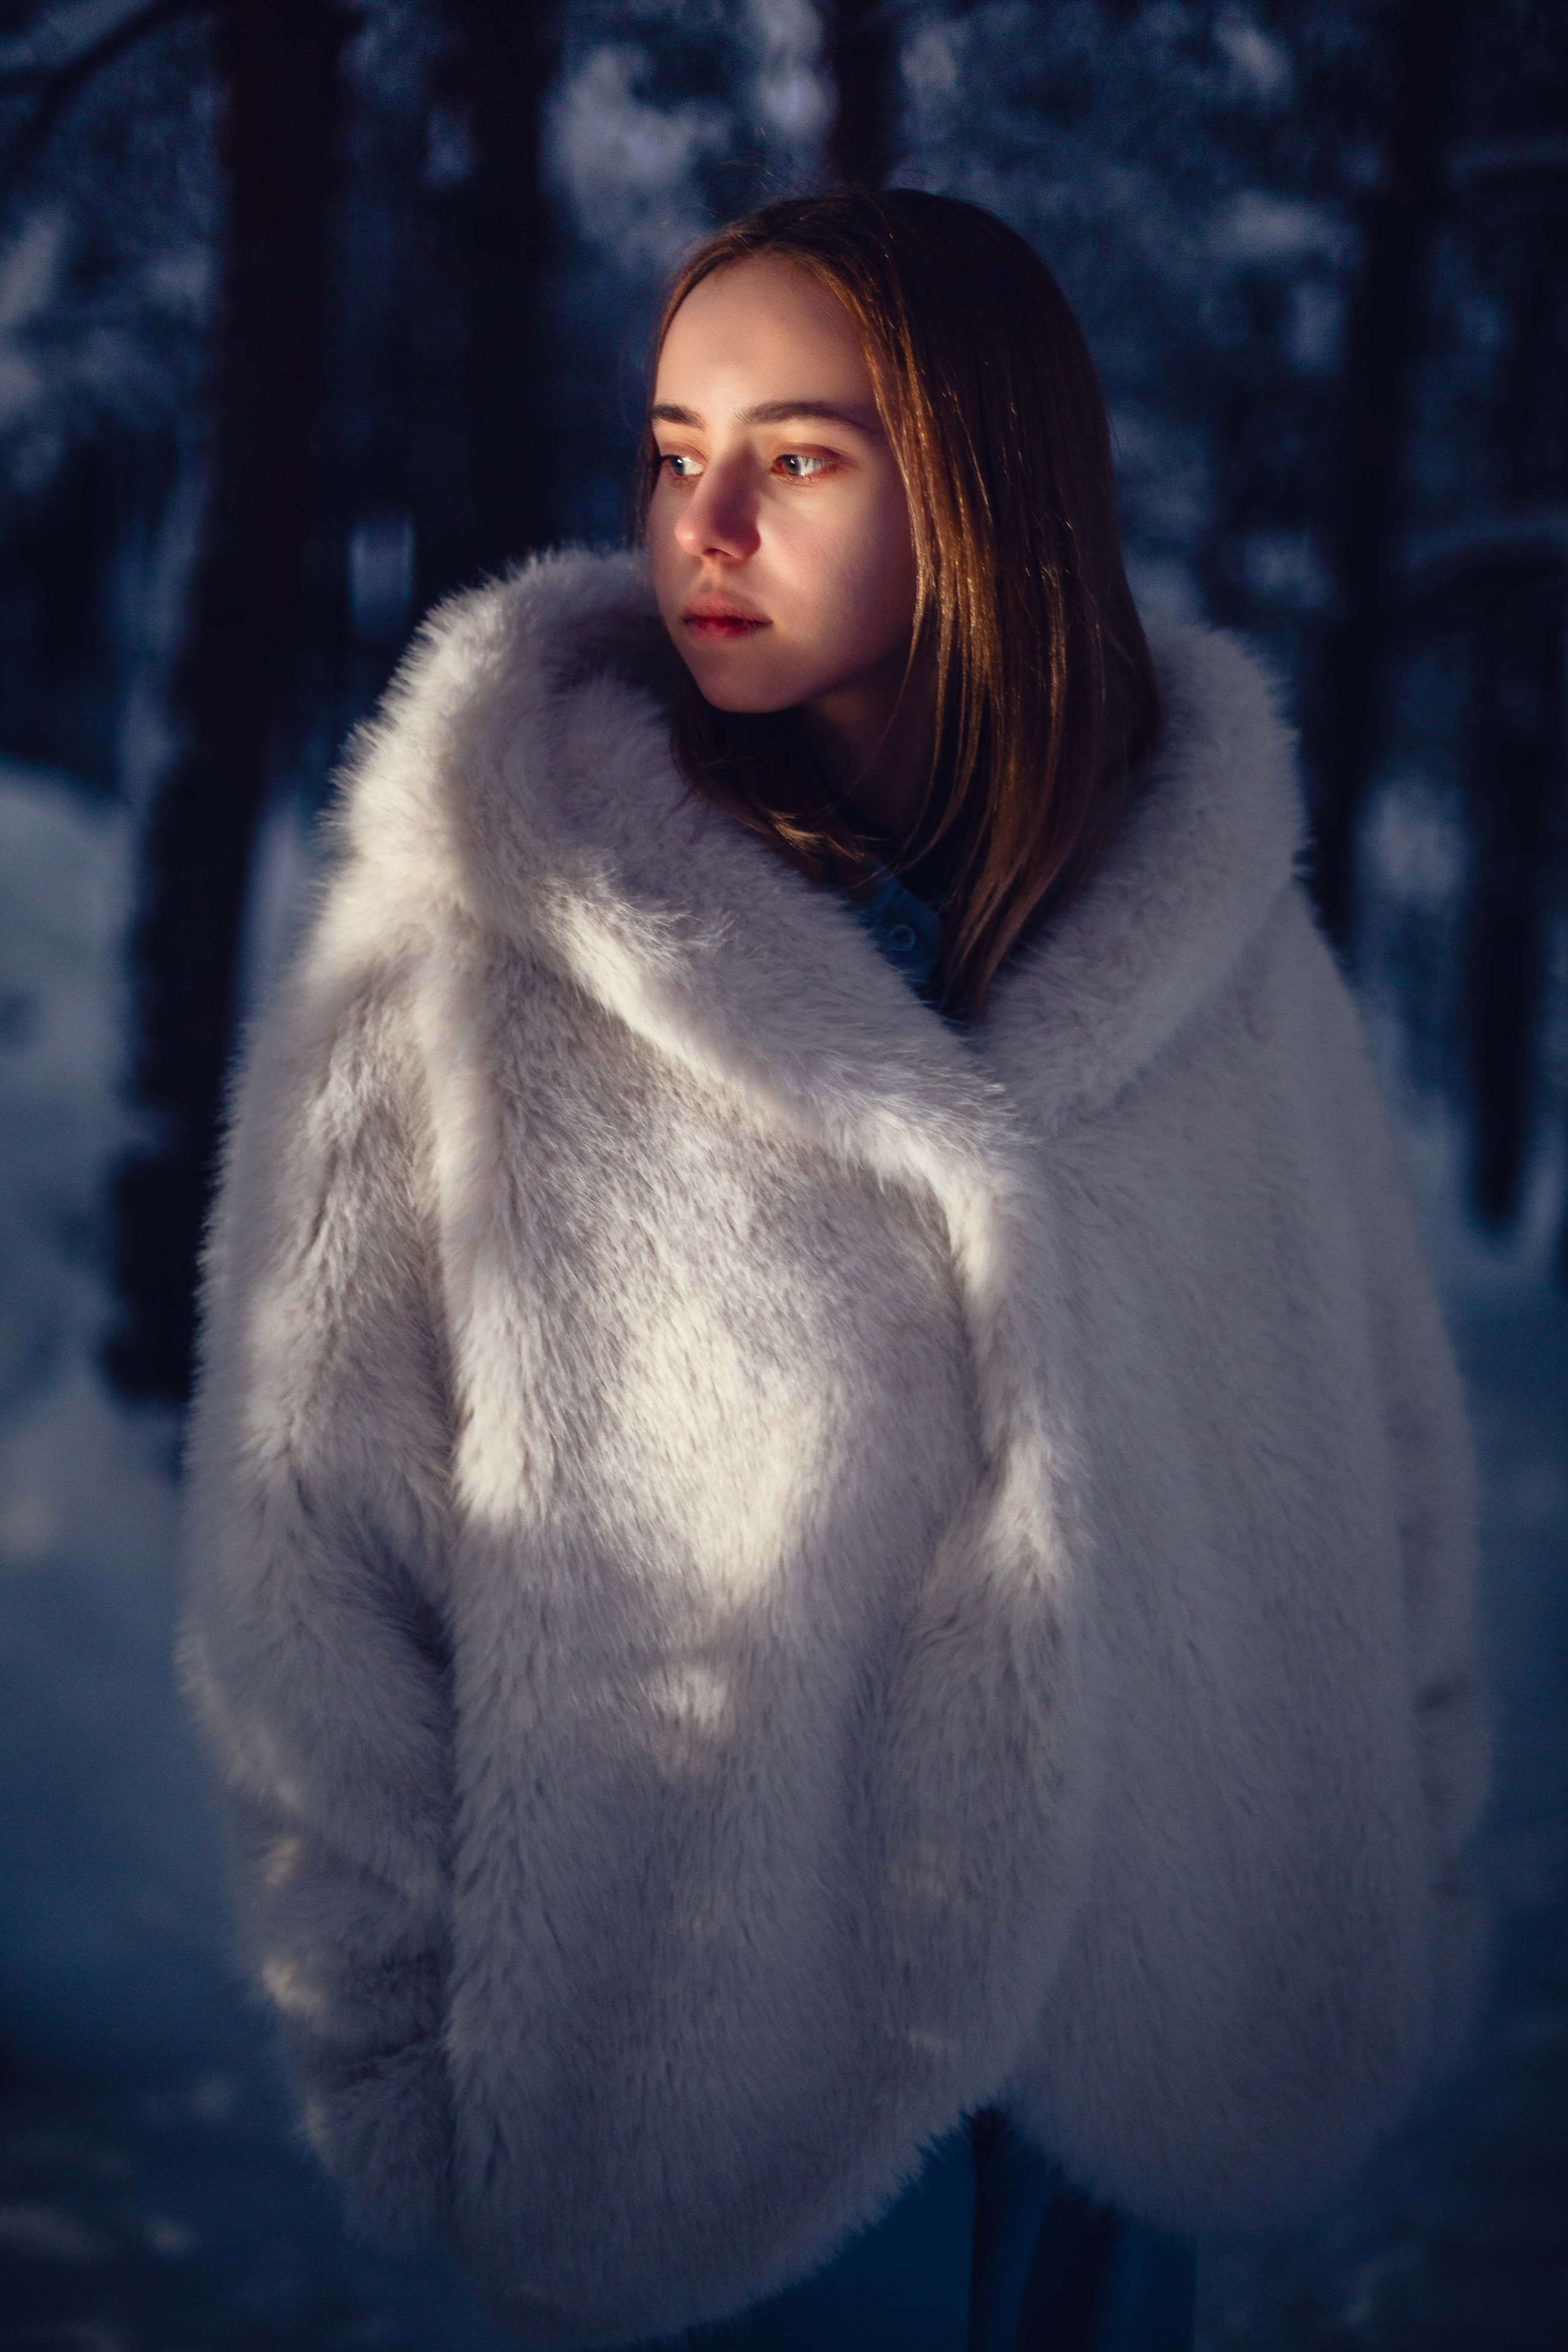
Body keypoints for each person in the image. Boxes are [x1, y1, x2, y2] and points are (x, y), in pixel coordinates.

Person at [179, 190, 1487, 2351]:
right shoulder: (480, 952)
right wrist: (394, 2041)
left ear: (985, 487)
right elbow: (310, 1527)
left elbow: (1385, 1457)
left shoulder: (1219, 948)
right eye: (671, 451)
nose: (703, 524)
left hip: (1139, 2067)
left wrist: (1390, 1881)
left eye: (795, 457)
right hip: (698, 2109)